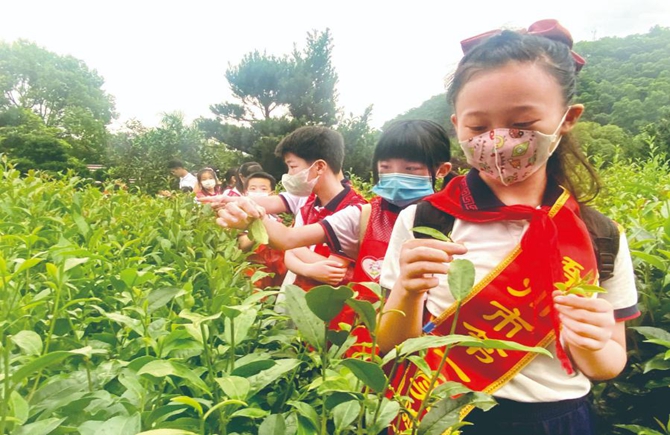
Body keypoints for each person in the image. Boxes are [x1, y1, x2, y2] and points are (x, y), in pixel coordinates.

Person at [377, 20, 639, 435]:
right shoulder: (427, 220)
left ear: (567, 118)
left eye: (524, 124)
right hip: (441, 414)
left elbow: (610, 364)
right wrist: (408, 292)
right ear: (456, 125)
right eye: (478, 127)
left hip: (554, 419)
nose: (499, 142)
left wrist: (592, 342)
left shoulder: (599, 235)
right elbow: (390, 343)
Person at [216, 120, 453, 332]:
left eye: (410, 169)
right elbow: (287, 239)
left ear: (441, 170)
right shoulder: (364, 214)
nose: (395, 175)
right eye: (386, 168)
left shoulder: (458, 220)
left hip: (436, 340)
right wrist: (251, 215)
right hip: (365, 335)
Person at [207, 126, 367, 291]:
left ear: (319, 167)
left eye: (293, 167)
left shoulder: (355, 211)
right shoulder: (307, 197)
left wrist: (255, 220)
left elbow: (288, 242)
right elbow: (269, 209)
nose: (289, 175)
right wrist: (231, 201)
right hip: (293, 288)